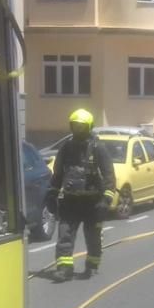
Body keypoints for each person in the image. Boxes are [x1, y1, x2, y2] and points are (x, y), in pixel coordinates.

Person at [47, 109, 117, 282]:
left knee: (93, 237)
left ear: (89, 127)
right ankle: (64, 269)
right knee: (65, 235)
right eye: (75, 126)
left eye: (82, 126)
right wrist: (52, 193)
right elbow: (58, 173)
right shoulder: (66, 148)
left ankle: (92, 265)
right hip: (70, 201)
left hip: (92, 203)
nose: (78, 129)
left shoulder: (98, 148)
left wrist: (106, 200)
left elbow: (109, 175)